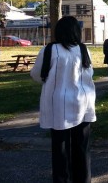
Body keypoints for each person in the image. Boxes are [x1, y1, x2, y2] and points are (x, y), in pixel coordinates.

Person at [30, 16, 96, 183]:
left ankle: (62, 180)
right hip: (83, 102)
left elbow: (36, 74)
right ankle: (83, 180)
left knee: (61, 148)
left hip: (58, 104)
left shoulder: (49, 50)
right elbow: (90, 73)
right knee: (82, 147)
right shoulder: (83, 49)